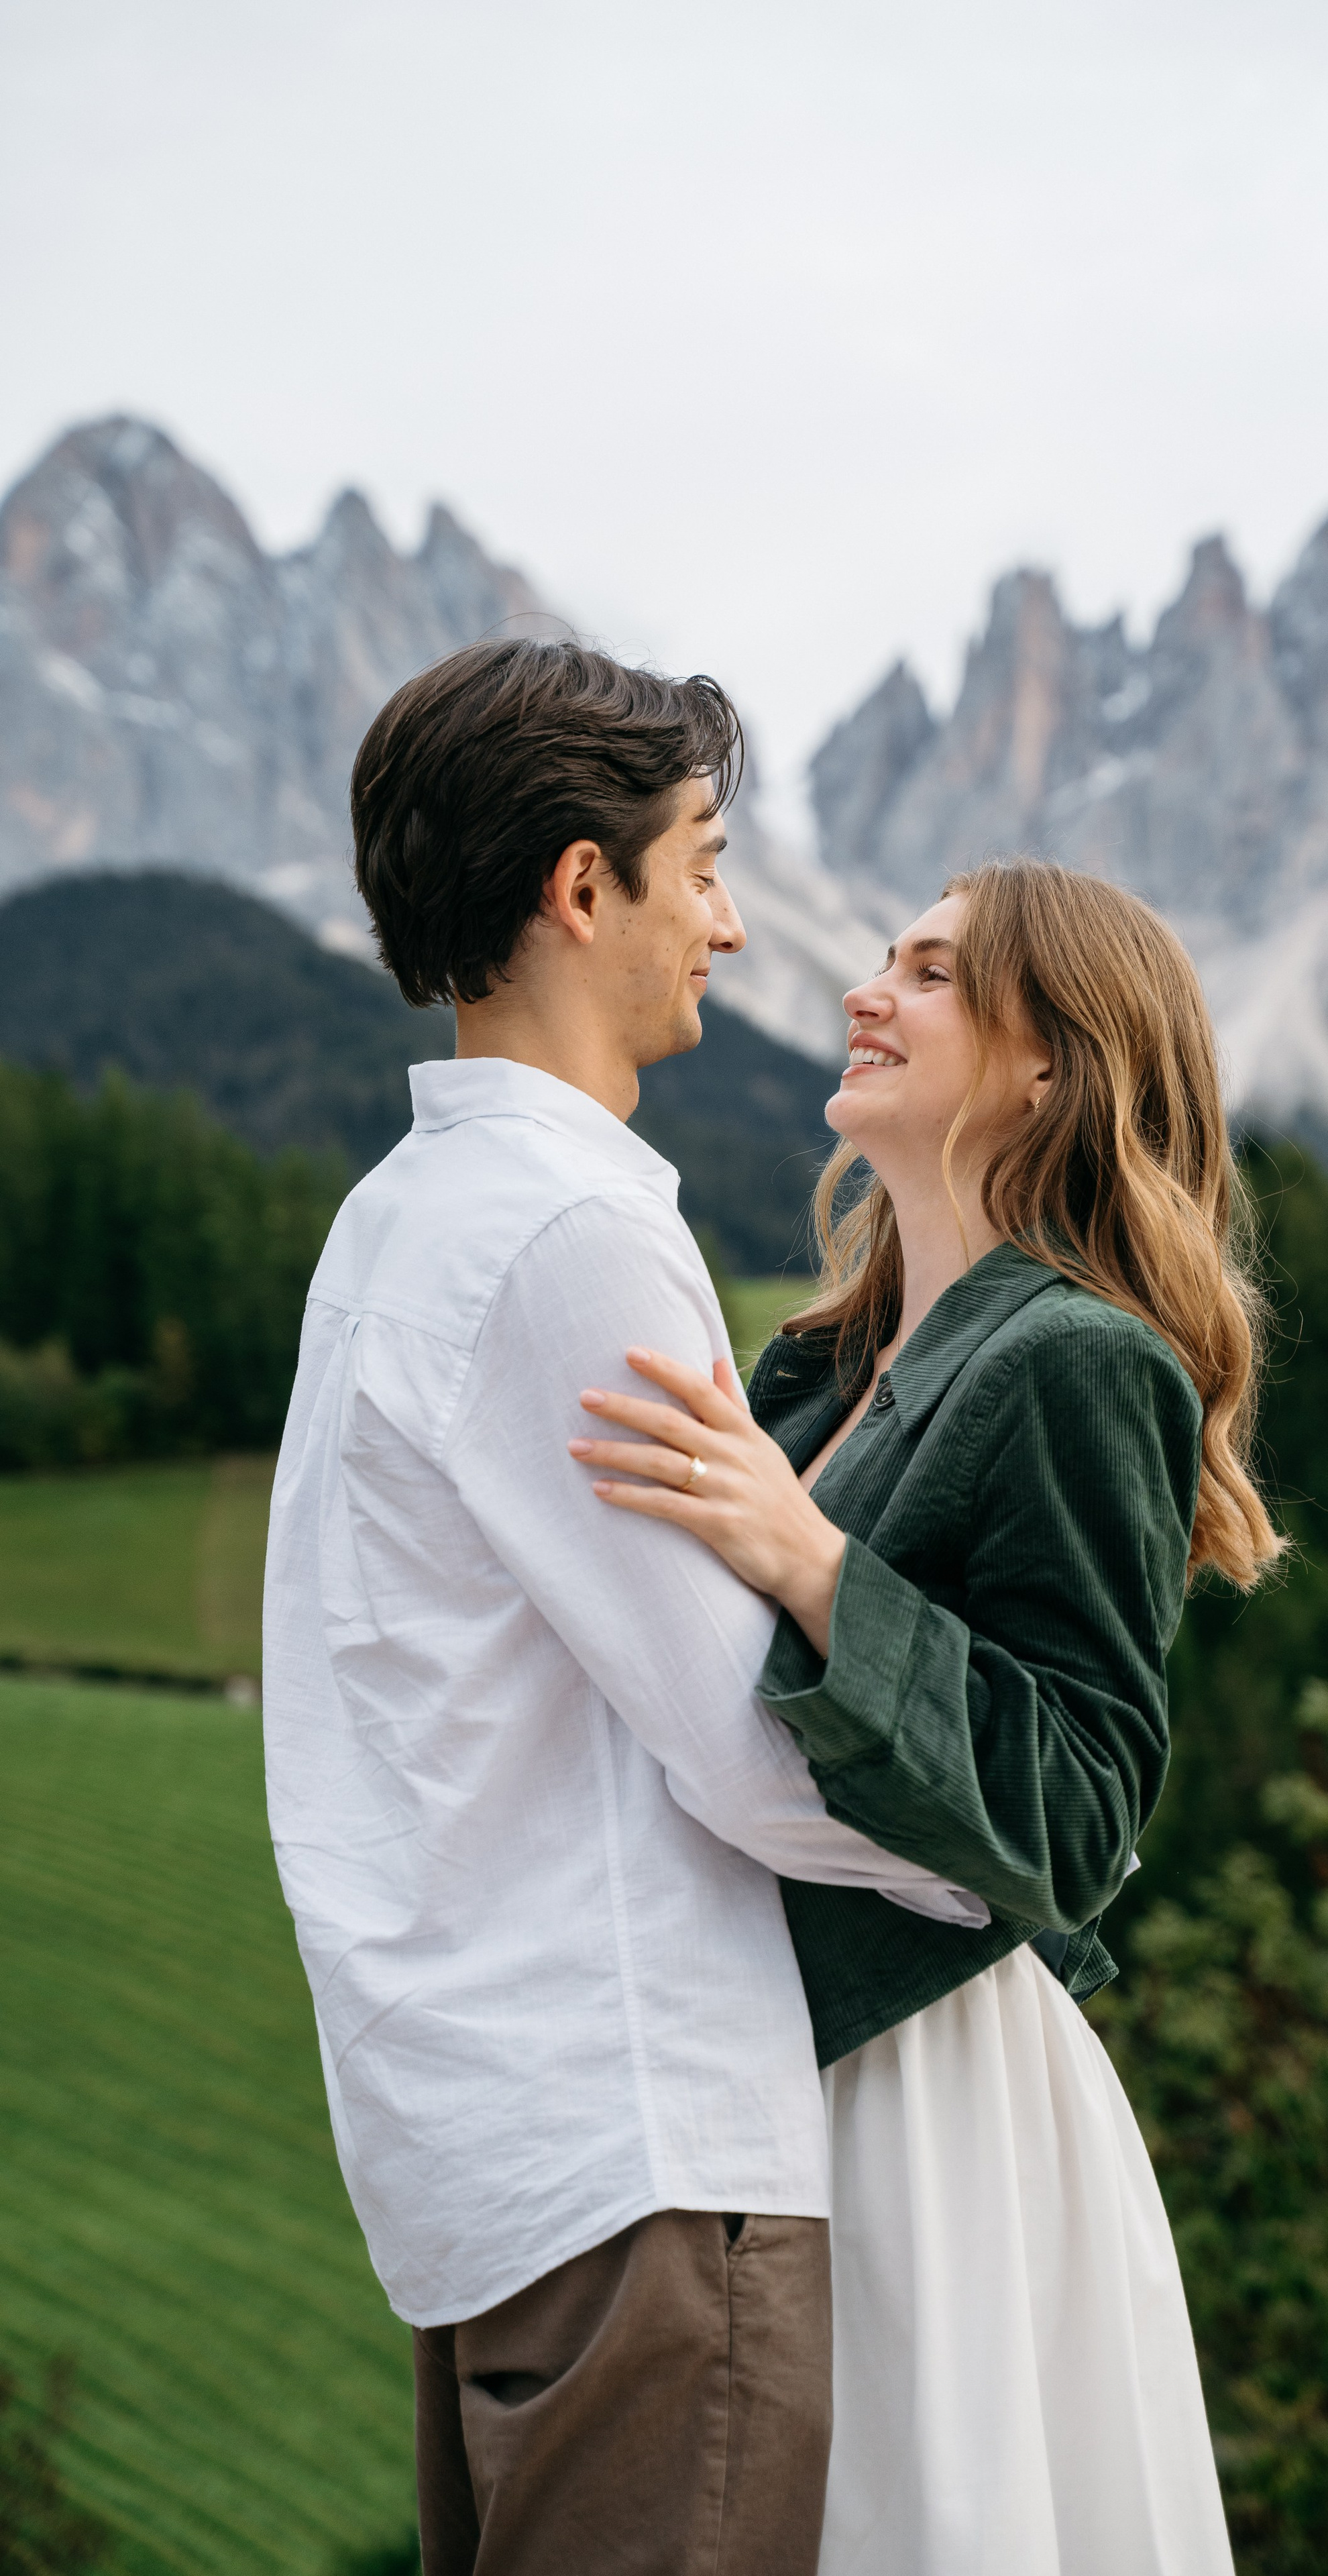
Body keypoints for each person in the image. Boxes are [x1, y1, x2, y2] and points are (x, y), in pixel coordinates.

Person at [262, 637, 991, 2576]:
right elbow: (752, 1749)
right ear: (584, 888)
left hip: (488, 2157)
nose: (734, 929)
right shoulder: (580, 1230)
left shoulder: (391, 1222)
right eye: (702, 866)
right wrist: (997, 1868)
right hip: (647, 2166)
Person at [570, 857, 1284, 2575]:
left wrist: (819, 1570)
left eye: (935, 972)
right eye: (882, 957)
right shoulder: (823, 1364)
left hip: (927, 2103)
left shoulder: (1083, 1362)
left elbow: (1082, 1812)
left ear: (1050, 1067)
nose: (865, 990)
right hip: (754, 2075)